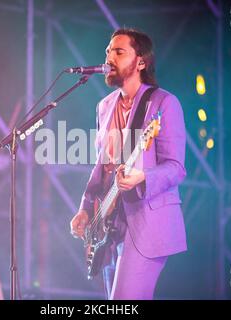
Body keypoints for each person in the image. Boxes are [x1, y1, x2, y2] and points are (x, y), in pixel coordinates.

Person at [70, 28, 187, 300]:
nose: (109, 57)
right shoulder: (104, 106)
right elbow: (102, 166)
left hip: (147, 222)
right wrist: (87, 209)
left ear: (142, 62)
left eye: (119, 51)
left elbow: (176, 168)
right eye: (108, 51)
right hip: (110, 226)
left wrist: (142, 177)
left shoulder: (164, 104)